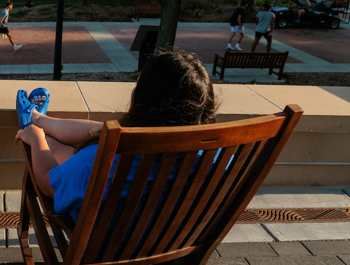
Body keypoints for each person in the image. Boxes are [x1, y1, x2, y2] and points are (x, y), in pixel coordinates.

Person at [14, 51, 217, 221]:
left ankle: (32, 126)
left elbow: (48, 184)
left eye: (138, 87)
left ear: (145, 103)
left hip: (106, 250)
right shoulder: (218, 157)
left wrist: (36, 139)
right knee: (103, 132)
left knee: (63, 151)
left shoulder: (98, 161)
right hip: (172, 249)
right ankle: (39, 118)